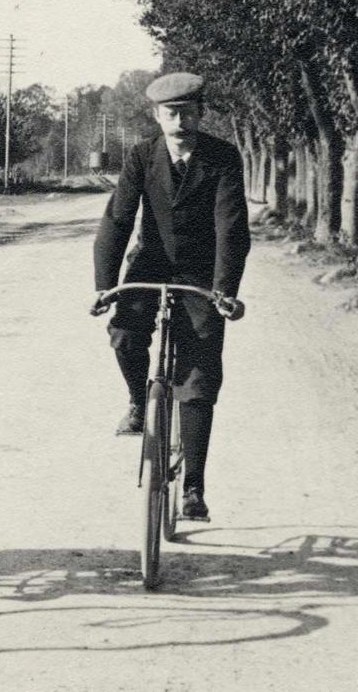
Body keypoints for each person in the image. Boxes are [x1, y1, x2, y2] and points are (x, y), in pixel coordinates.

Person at [91, 71, 251, 521]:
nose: (180, 121)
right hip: (151, 264)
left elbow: (231, 227)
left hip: (202, 274)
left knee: (198, 375)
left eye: (188, 112)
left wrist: (225, 291)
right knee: (124, 334)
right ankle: (139, 404)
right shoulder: (142, 156)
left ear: (201, 113)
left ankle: (194, 488)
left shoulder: (222, 158)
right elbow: (118, 220)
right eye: (171, 113)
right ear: (158, 116)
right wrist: (105, 285)